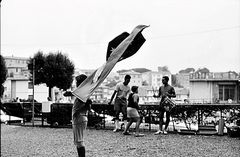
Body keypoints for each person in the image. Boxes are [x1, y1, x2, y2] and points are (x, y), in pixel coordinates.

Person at [72, 74, 92, 157]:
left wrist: (77, 112)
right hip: (81, 117)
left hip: (79, 117)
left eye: (77, 82)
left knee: (79, 141)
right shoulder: (83, 92)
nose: (76, 83)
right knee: (78, 141)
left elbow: (88, 104)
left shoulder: (83, 93)